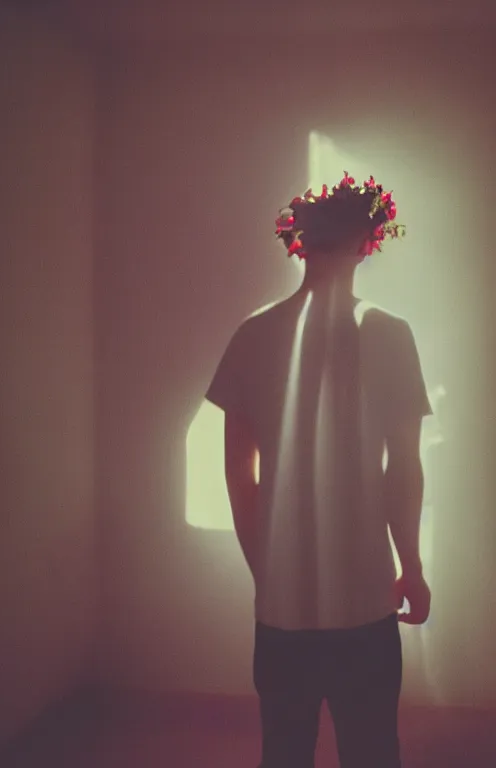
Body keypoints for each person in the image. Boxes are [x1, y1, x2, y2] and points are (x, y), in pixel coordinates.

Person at [205, 173, 432, 768]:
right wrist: (411, 566)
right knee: (373, 750)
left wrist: (267, 573)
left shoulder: (253, 334)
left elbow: (238, 473)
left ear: (303, 240)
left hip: (283, 611)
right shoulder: (390, 333)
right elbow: (402, 468)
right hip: (365, 598)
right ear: (367, 241)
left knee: (284, 751)